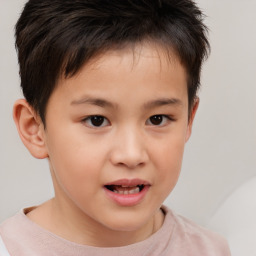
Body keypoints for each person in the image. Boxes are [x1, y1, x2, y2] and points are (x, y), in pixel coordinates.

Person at [0, 0, 231, 255]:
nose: (131, 155)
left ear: (189, 119)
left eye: (157, 119)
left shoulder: (210, 250)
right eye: (96, 120)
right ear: (34, 128)